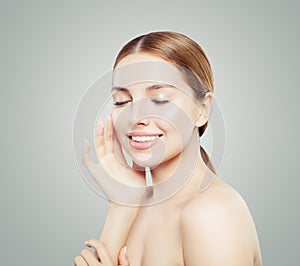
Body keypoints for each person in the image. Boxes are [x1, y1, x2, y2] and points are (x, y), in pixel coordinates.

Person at [74, 31, 263, 266]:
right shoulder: (136, 205)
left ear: (202, 109)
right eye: (122, 101)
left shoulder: (212, 213)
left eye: (160, 99)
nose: (135, 117)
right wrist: (122, 202)